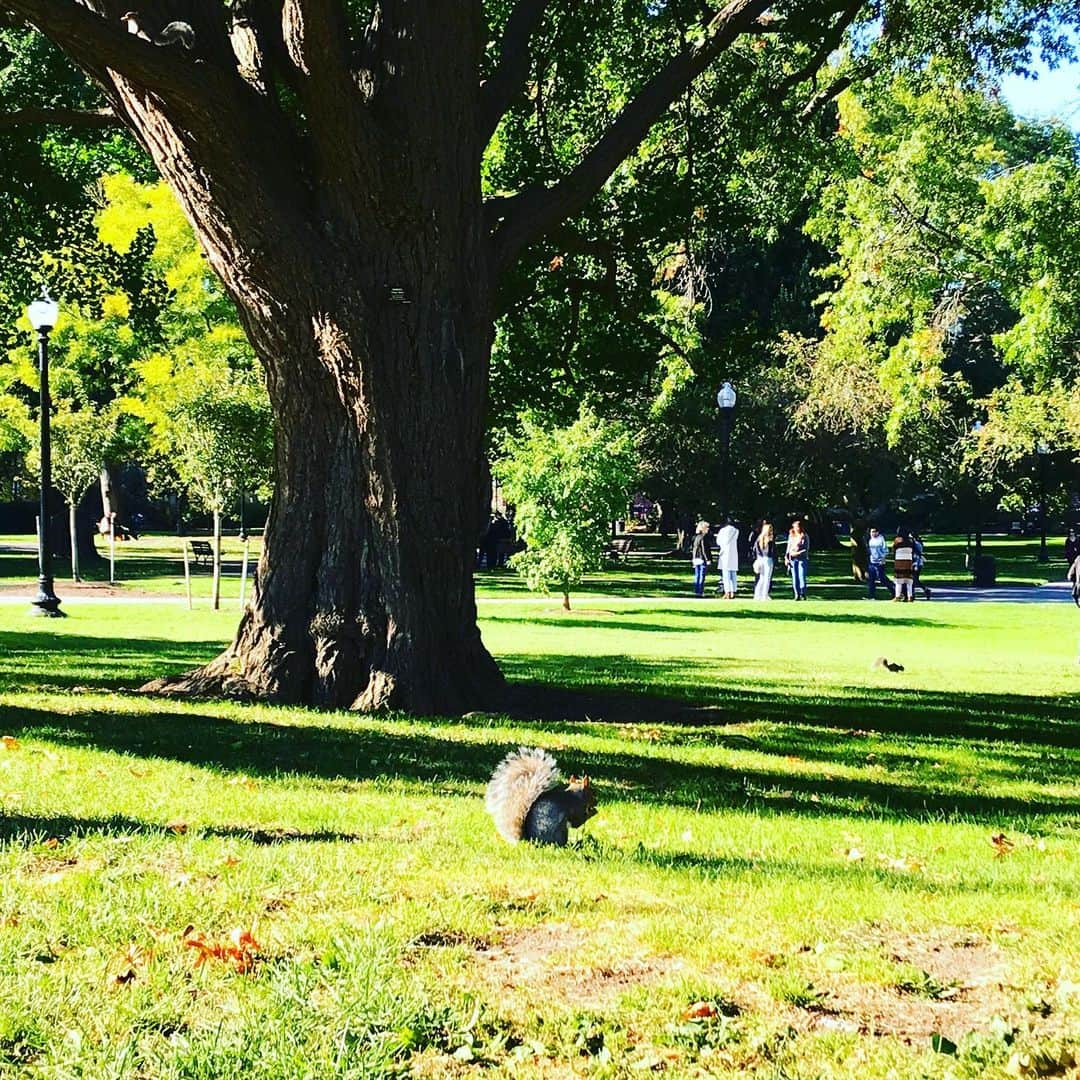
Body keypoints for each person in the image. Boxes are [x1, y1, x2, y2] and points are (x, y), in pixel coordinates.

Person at [785, 519, 809, 600]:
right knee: (794, 577)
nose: (796, 529)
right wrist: (786, 557)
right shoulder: (791, 536)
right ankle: (797, 594)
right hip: (792, 559)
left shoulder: (804, 536)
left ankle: (803, 593)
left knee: (801, 576)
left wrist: (798, 553)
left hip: (802, 559)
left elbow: (806, 549)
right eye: (795, 527)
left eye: (797, 527)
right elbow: (788, 548)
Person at [715, 519, 739, 598]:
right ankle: (733, 591)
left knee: (726, 574)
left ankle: (727, 591)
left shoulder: (722, 530)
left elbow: (718, 541)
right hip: (733, 554)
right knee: (733, 574)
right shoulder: (736, 531)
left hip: (725, 553)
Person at [752, 521, 776, 600]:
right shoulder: (769, 539)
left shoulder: (759, 538)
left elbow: (755, 549)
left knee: (761, 577)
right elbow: (772, 551)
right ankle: (764, 595)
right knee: (767, 578)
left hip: (760, 558)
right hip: (767, 559)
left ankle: (757, 594)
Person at [865, 526, 891, 599]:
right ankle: (871, 596)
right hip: (872, 562)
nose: (872, 533)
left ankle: (894, 591)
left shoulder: (881, 539)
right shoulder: (870, 540)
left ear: (878, 532)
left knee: (882, 579)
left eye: (874, 532)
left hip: (879, 562)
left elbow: (886, 550)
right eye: (871, 532)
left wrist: (883, 559)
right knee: (871, 579)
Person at [690, 520, 711, 598]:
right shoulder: (703, 537)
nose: (708, 529)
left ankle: (696, 591)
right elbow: (704, 549)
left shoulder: (696, 537)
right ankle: (700, 591)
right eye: (707, 527)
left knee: (697, 575)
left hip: (696, 558)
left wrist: (693, 558)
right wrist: (708, 559)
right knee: (701, 576)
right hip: (701, 558)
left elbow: (694, 549)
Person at [893, 533, 915, 602]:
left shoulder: (897, 540)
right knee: (909, 580)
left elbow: (894, 548)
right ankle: (910, 596)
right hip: (909, 561)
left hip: (899, 561)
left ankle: (897, 596)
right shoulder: (910, 540)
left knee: (899, 580)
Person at [911, 532, 931, 599]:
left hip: (917, 563)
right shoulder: (917, 543)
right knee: (914, 579)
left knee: (914, 579)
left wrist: (916, 564)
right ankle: (914, 593)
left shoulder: (916, 544)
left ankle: (923, 590)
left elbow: (918, 555)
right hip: (917, 563)